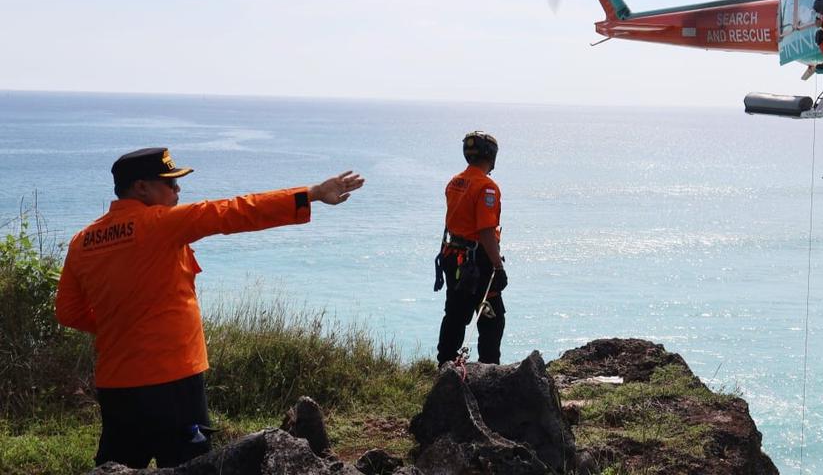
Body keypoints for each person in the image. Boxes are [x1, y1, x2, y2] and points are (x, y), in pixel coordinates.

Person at [54, 147, 364, 469]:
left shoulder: (82, 241)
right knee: (191, 465)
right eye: (170, 183)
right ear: (141, 187)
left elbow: (68, 312)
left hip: (116, 385)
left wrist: (122, 326)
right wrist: (311, 194)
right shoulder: (160, 223)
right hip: (173, 382)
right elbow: (232, 211)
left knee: (117, 465)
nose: (178, 190)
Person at [435, 131, 508, 366]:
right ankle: (489, 369)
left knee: (455, 314)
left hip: (453, 256)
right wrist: (498, 266)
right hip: (477, 262)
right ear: (491, 156)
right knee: (492, 317)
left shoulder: (455, 182)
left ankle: (445, 364)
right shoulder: (487, 187)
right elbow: (486, 231)